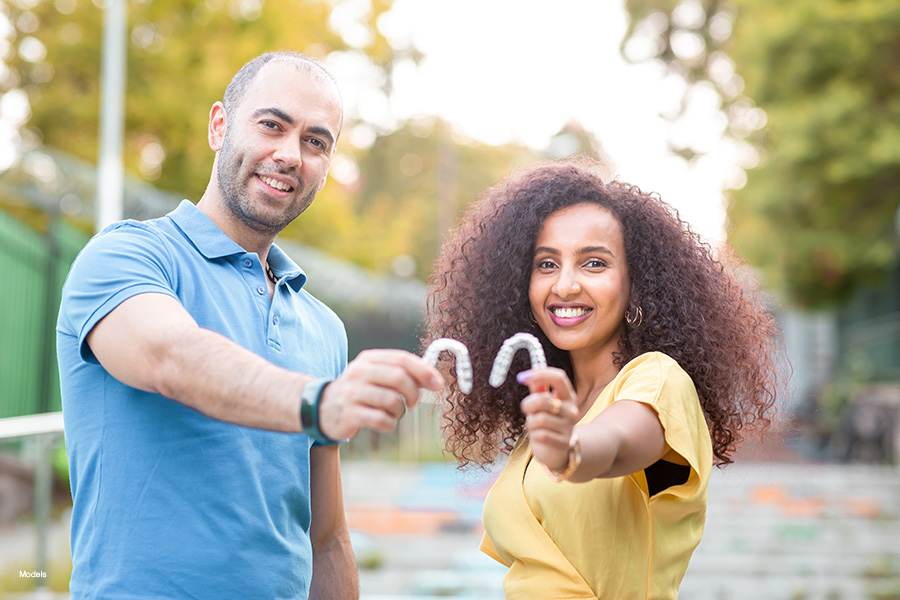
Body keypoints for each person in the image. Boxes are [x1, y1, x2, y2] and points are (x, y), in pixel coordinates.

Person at [56, 51, 442, 600]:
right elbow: (171, 356)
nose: (290, 155)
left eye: (316, 141)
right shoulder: (126, 256)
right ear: (219, 125)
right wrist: (318, 402)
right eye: (272, 126)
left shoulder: (324, 328)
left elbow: (326, 537)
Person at [423, 157, 783, 599]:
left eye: (594, 263)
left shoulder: (657, 381)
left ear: (638, 284)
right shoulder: (554, 408)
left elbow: (613, 445)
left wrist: (570, 448)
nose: (566, 285)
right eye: (546, 264)